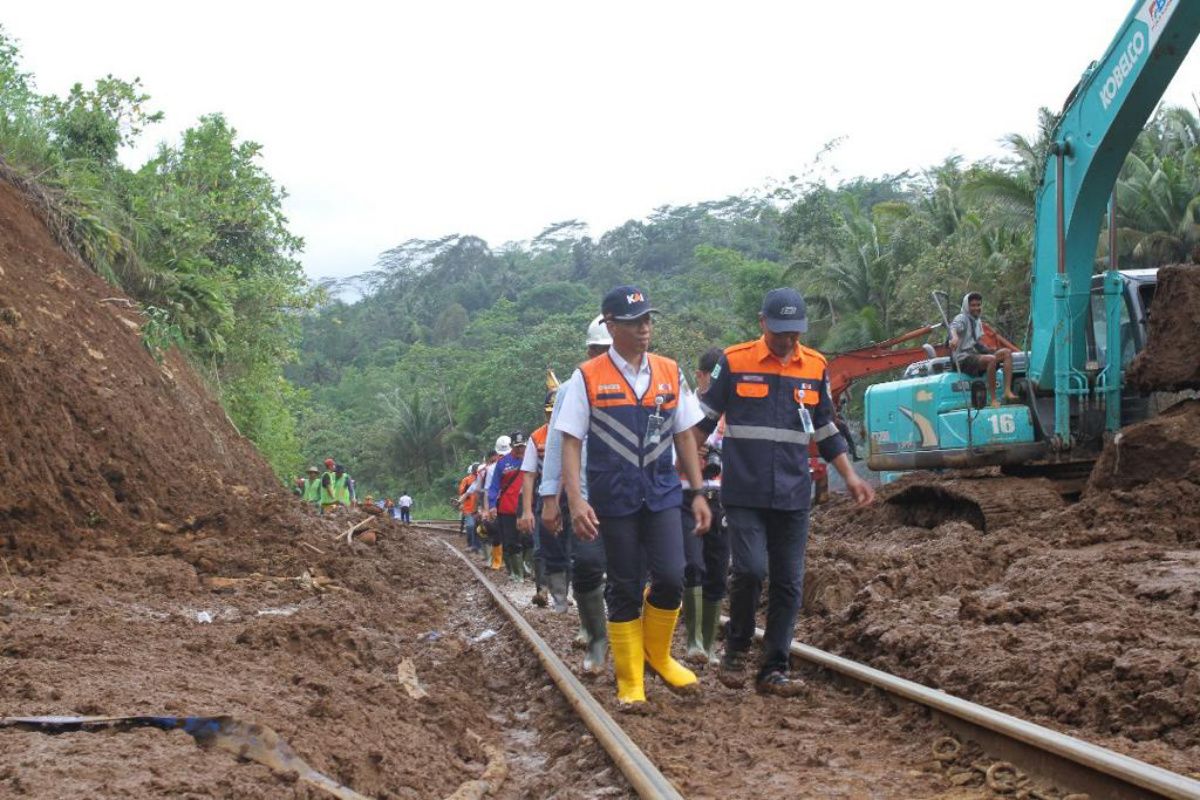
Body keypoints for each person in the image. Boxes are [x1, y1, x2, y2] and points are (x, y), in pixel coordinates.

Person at [698, 288, 875, 697]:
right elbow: (703, 423)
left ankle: (773, 669)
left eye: (795, 333)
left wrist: (849, 476)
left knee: (789, 584)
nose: (787, 341)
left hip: (793, 495)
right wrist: (688, 478)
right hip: (744, 492)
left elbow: (826, 428)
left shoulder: (814, 365)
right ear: (763, 323)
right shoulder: (735, 361)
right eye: (780, 333)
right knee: (750, 571)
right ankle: (738, 646)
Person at [557, 285, 712, 710]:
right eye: (634, 322)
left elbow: (684, 433)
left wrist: (697, 491)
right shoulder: (586, 378)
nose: (644, 328)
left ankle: (657, 654)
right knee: (624, 585)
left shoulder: (668, 371)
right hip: (613, 497)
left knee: (671, 575)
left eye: (647, 319)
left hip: (662, 492)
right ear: (610, 326)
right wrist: (575, 500)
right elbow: (570, 442)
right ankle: (630, 682)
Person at [540, 314, 616, 673]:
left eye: (608, 349)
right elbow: (557, 443)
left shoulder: (637, 382)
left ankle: (624, 638)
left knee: (627, 571)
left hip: (625, 494)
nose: (603, 356)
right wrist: (550, 496)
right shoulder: (571, 388)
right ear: (588, 351)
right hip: (580, 492)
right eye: (598, 350)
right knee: (586, 564)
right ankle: (595, 636)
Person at [680, 347, 730, 666]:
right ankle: (693, 641)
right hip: (685, 496)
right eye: (711, 378)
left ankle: (710, 645)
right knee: (692, 567)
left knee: (717, 571)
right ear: (700, 376)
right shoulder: (685, 408)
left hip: (721, 498)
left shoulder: (730, 412)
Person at [521, 376, 564, 609]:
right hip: (544, 498)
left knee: (569, 548)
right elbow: (528, 474)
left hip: (571, 498)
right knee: (540, 546)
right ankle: (542, 590)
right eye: (549, 412)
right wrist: (526, 509)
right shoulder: (536, 437)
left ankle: (564, 593)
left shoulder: (576, 431)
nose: (552, 416)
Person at [949, 292, 1018, 407]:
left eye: (978, 305)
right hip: (962, 359)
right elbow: (953, 327)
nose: (976, 308)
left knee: (1006, 353)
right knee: (991, 359)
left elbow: (976, 343)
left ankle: (1007, 391)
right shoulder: (962, 318)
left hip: (974, 355)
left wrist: (989, 350)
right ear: (967, 306)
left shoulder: (977, 321)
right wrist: (955, 337)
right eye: (973, 305)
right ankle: (993, 399)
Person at [488, 432, 529, 581]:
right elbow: (494, 487)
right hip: (507, 509)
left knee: (529, 540)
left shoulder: (531, 459)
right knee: (511, 541)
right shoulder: (503, 463)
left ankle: (527, 567)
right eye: (517, 447)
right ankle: (516, 574)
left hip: (527, 507)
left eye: (522, 446)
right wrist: (492, 505)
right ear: (512, 446)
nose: (520, 450)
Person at [458, 463, 482, 554]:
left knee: (479, 527)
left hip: (479, 507)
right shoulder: (466, 480)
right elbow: (462, 493)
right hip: (468, 507)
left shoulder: (482, 478)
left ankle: (478, 546)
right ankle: (471, 545)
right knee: (471, 526)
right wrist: (461, 503)